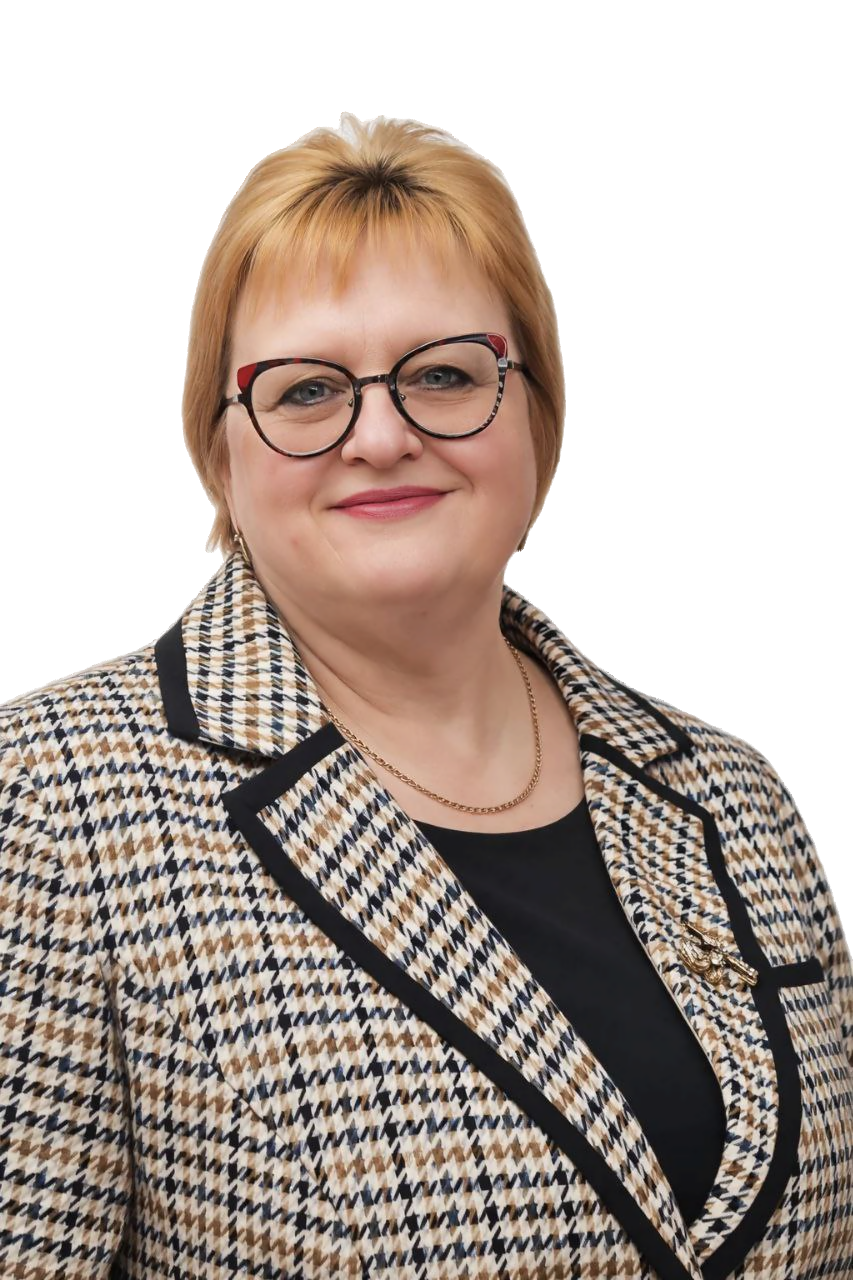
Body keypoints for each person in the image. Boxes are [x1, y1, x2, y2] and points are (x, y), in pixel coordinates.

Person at [1, 113, 851, 1280]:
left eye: (444, 374)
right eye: (307, 390)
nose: (381, 433)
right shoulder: (53, 805)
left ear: (536, 415)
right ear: (220, 455)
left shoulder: (730, 796)